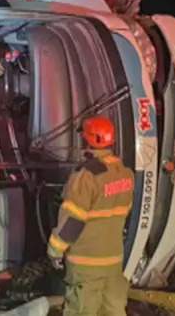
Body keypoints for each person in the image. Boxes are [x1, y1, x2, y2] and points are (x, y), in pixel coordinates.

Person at [47, 115, 135, 316]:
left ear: (87, 140)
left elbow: (73, 221)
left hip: (86, 265)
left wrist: (55, 250)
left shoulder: (85, 176)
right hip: (113, 262)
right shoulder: (125, 174)